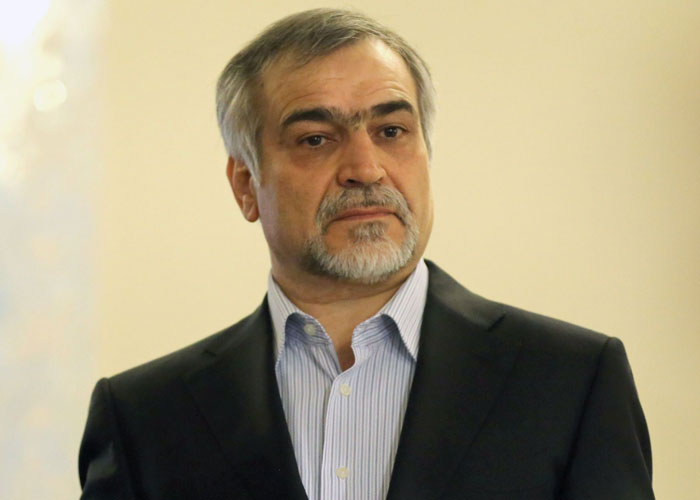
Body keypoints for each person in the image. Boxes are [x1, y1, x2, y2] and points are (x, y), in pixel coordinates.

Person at [78, 8, 654, 500]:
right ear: (246, 185)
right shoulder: (143, 417)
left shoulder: (571, 381)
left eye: (392, 131)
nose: (365, 169)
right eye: (315, 139)